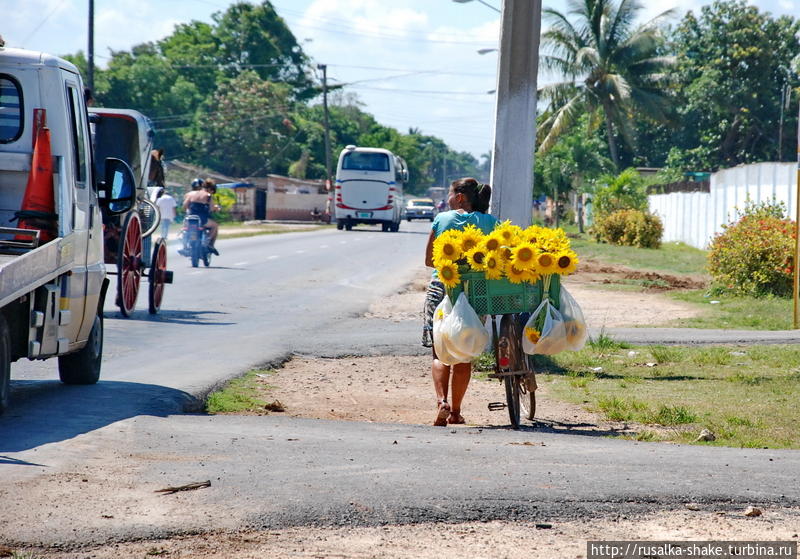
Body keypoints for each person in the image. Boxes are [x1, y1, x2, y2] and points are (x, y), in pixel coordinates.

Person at [423, 177, 497, 426]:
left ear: (461, 197)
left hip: (442, 287)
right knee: (464, 354)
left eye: (450, 194)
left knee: (439, 352)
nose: (448, 199)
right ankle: (455, 412)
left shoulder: (442, 219)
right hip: (476, 294)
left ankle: (441, 401)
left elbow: (429, 261)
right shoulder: (491, 222)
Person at [181, 178, 220, 255]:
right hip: (202, 219)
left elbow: (185, 205)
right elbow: (211, 208)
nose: (212, 192)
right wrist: (216, 208)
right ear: (209, 189)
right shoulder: (208, 195)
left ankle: (184, 246)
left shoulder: (193, 194)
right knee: (215, 225)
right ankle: (209, 243)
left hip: (190, 217)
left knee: (184, 229)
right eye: (212, 190)